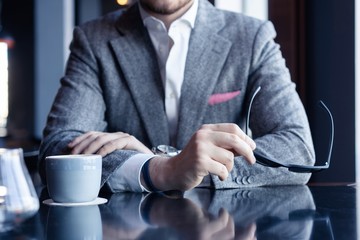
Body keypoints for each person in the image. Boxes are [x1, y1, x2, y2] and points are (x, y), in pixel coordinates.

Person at [38, 0, 315, 193]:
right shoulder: (93, 40)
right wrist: (157, 170)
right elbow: (56, 149)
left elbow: (297, 150)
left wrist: (183, 169)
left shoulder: (252, 37)